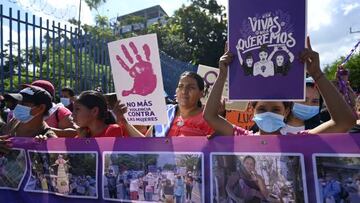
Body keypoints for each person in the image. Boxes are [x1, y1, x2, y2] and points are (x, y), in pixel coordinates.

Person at [204, 37, 356, 136]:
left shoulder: (298, 139)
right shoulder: (243, 137)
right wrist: (223, 75)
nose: (268, 114)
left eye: (276, 109)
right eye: (262, 109)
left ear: (287, 111)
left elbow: (345, 122)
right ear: (252, 109)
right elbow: (210, 116)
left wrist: (317, 74)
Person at [151, 71, 214, 137]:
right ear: (176, 90)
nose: (184, 91)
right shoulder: (165, 112)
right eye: (180, 86)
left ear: (201, 94)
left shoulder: (208, 120)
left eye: (191, 87)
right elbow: (148, 141)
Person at [73, 90, 144, 138]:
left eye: (77, 109)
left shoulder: (113, 130)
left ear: (94, 111)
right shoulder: (80, 136)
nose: (73, 114)